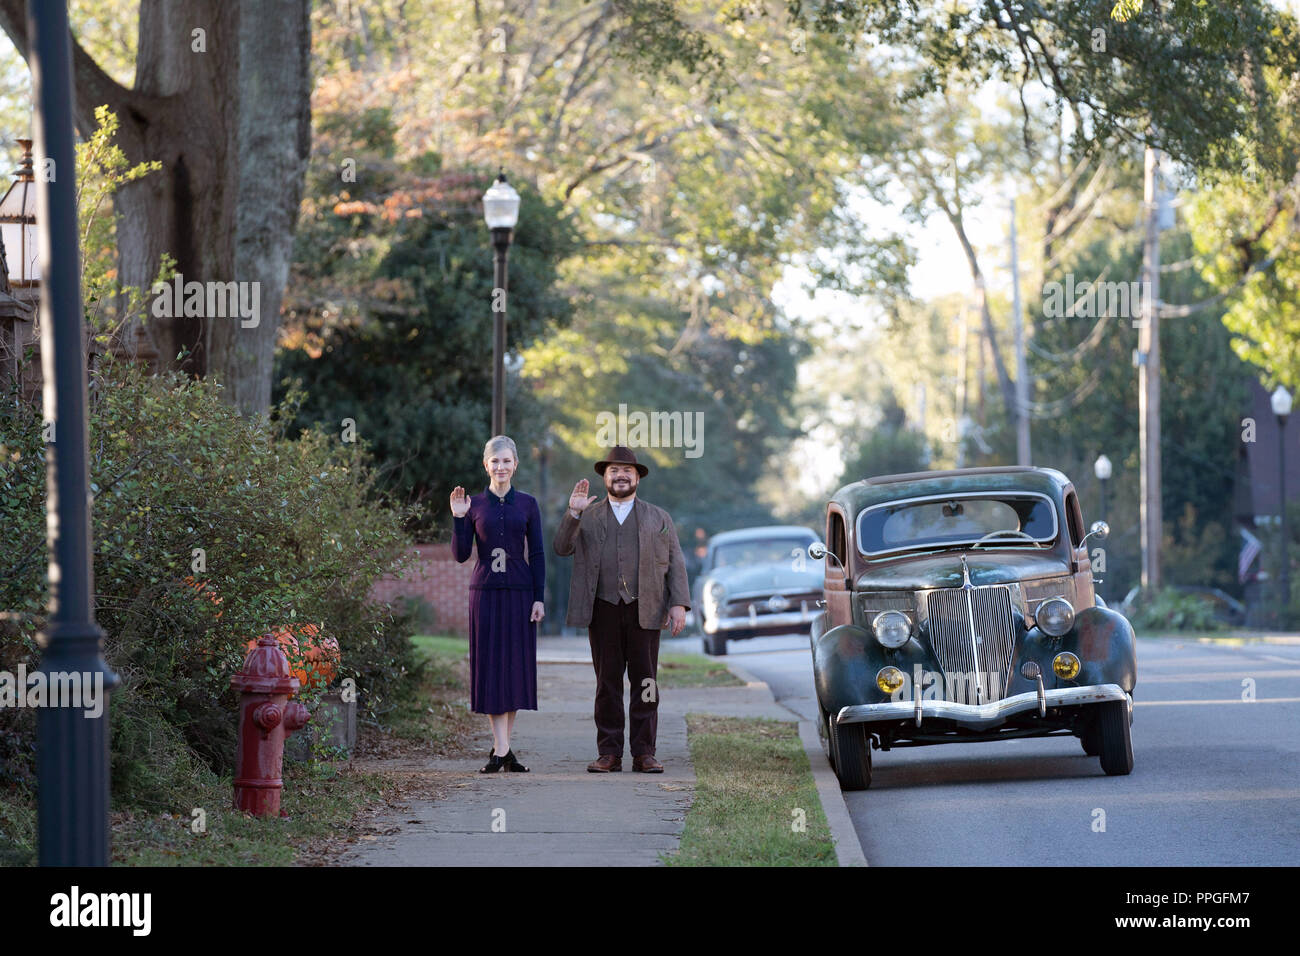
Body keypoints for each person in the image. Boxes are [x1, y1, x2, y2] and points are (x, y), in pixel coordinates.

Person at [553, 445, 690, 773]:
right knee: (607, 682)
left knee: (646, 683)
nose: (621, 475)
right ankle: (609, 752)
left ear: (637, 477)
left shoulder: (659, 517)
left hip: (646, 610)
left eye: (627, 470)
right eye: (614, 470)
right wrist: (572, 513)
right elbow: (561, 548)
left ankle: (644, 752)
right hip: (602, 610)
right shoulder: (587, 514)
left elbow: (675, 563)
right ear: (605, 476)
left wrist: (679, 604)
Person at [450, 435, 545, 773]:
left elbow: (536, 554)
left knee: (514, 669)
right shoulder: (473, 505)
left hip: (520, 594)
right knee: (492, 669)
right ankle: (503, 749)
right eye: (495, 461)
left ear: (515, 464)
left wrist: (538, 598)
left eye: (507, 461)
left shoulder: (528, 504)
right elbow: (461, 555)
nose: (501, 467)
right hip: (485, 594)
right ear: (486, 465)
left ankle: (501, 750)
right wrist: (459, 519)